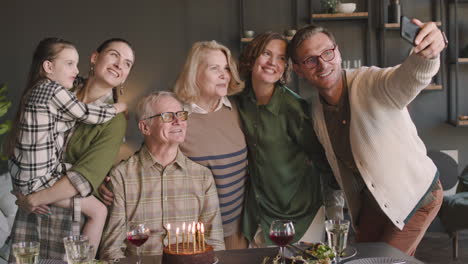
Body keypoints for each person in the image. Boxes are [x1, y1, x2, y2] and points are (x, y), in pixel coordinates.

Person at [289, 19, 446, 255]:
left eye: (327, 53)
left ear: (338, 52)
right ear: (298, 69)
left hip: (415, 193)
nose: (322, 64)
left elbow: (407, 79)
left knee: (385, 260)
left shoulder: (371, 82)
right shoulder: (316, 110)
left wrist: (427, 56)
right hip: (374, 201)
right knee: (360, 257)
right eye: (311, 60)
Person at [9, 38, 135, 260]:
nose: (119, 64)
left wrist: (32, 198)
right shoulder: (58, 89)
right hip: (31, 216)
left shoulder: (114, 121)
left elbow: (85, 176)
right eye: (114, 55)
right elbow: (20, 141)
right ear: (95, 58)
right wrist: (22, 190)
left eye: (127, 63)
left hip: (69, 223)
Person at [234, 32, 334, 247]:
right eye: (266, 54)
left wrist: (337, 211)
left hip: (300, 214)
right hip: (259, 212)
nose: (273, 62)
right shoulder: (239, 102)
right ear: (252, 58)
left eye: (281, 58)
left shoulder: (294, 108)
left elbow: (322, 160)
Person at [99, 91, 225, 259]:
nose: (178, 121)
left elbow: (215, 244)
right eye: (167, 116)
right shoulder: (121, 177)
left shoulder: (203, 177)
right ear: (145, 127)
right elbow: (112, 251)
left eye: (181, 115)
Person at [174, 40, 248, 249]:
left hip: (236, 232)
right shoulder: (177, 115)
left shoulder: (235, 110)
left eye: (226, 68)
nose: (225, 75)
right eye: (215, 68)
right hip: (193, 237)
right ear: (194, 73)